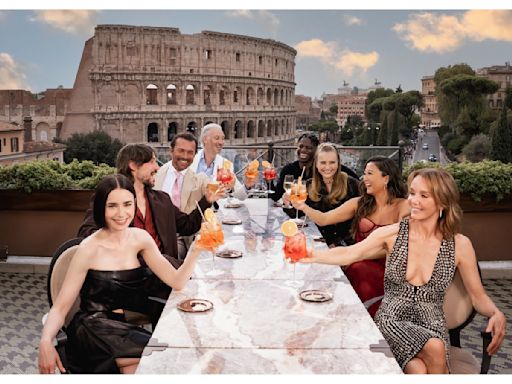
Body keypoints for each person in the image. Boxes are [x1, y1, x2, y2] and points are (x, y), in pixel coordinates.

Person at [298, 168, 506, 374]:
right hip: (392, 320)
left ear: (443, 202)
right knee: (435, 348)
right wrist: (309, 255)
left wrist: (496, 313)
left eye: (424, 195)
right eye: (412, 193)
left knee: (418, 368)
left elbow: (478, 297)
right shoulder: (392, 234)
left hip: (432, 323)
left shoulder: (460, 245)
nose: (414, 200)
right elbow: (350, 254)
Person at [39, 174, 210, 374]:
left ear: (134, 204)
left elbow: (177, 281)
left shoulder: (141, 239)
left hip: (122, 330)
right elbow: (60, 308)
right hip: (92, 328)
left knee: (167, 358)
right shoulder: (88, 248)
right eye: (112, 206)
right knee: (156, 363)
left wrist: (197, 249)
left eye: (127, 204)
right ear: (101, 208)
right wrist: (45, 341)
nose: (121, 213)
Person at [78, 144, 223, 317]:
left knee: (204, 288)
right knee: (197, 288)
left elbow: (187, 225)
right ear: (133, 166)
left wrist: (206, 201)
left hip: (165, 276)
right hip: (131, 282)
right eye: (153, 162)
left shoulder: (161, 200)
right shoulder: (111, 201)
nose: (158, 167)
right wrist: (131, 250)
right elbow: (85, 234)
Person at [292, 156, 409, 317]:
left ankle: (364, 319)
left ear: (385, 178)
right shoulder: (359, 203)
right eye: (364, 173)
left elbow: (403, 244)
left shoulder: (404, 206)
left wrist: (356, 255)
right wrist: (301, 206)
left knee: (356, 268)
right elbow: (324, 219)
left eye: (369, 173)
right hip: (356, 259)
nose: (364, 178)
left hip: (387, 268)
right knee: (334, 269)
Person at [154, 132, 226, 259]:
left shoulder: (200, 179)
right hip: (153, 231)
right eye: (181, 151)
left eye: (190, 152)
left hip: (180, 236)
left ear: (195, 154)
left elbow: (220, 193)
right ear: (171, 151)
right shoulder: (157, 173)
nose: (185, 156)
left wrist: (229, 186)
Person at [283, 142, 360, 247]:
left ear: (338, 163)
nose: (327, 167)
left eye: (332, 162)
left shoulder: (351, 184)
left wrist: (335, 244)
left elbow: (360, 218)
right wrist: (288, 202)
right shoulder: (310, 185)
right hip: (319, 242)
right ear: (316, 164)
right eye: (323, 163)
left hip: (346, 245)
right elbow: (297, 214)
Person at [189, 123, 257, 199]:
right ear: (205, 139)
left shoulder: (226, 164)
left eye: (222, 138)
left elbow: (240, 196)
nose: (221, 142)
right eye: (217, 138)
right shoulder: (189, 159)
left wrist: (247, 186)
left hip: (215, 209)